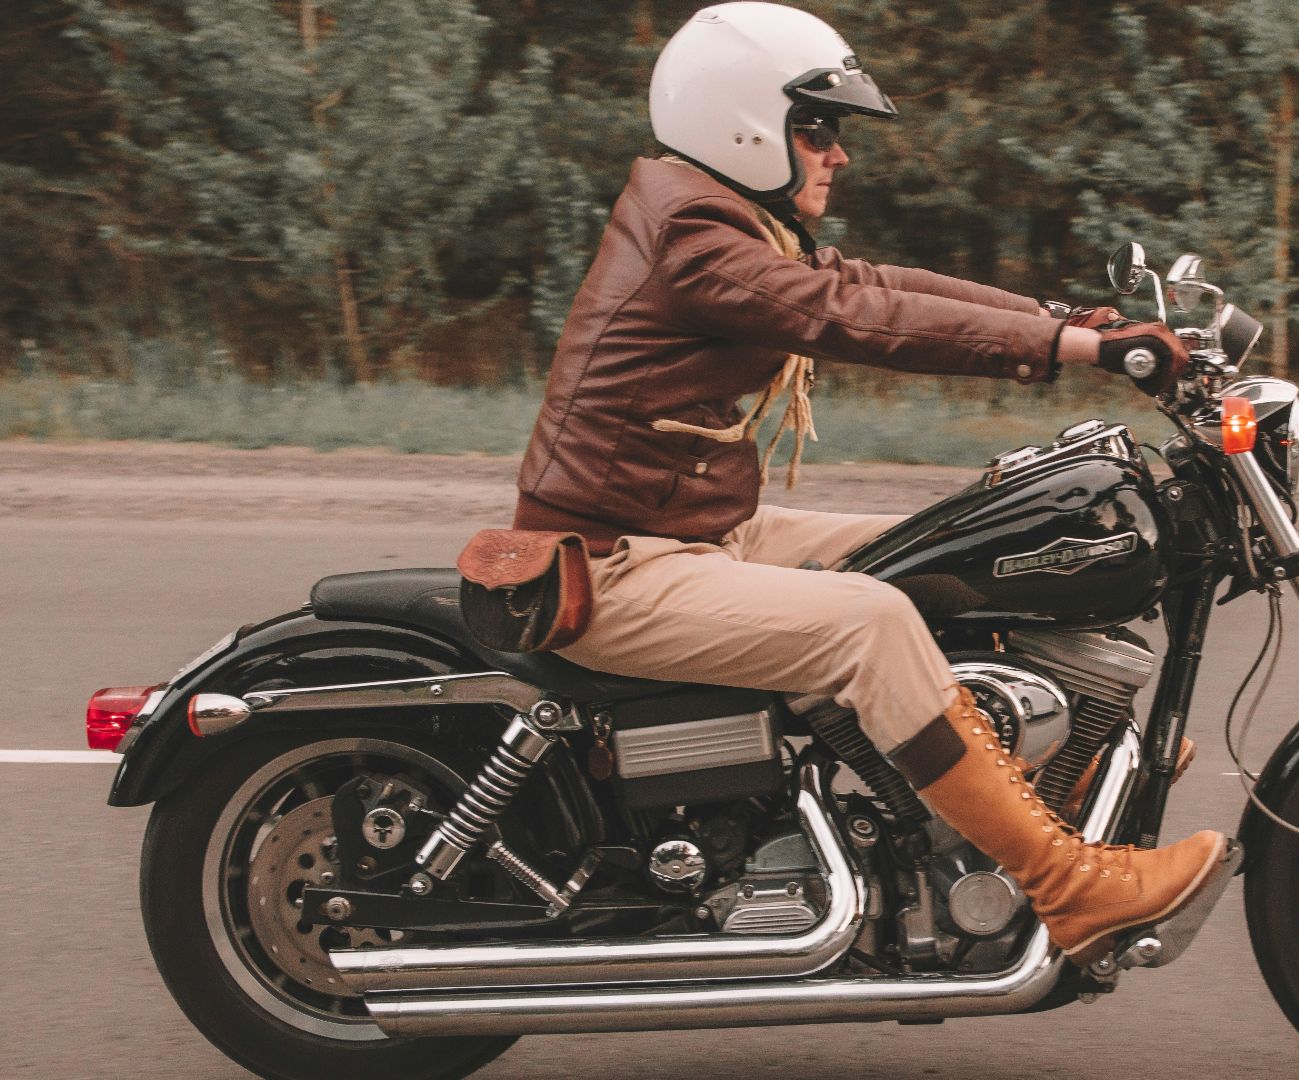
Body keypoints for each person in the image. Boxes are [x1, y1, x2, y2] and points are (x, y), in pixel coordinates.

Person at [512, 1, 1230, 965]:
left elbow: (874, 278)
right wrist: (1074, 346)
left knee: (953, 554)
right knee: (873, 621)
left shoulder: (726, 215)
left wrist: (1068, 317)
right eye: (817, 127)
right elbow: (850, 312)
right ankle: (1067, 887)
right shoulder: (693, 233)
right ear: (743, 122)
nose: (836, 153)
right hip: (618, 566)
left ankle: (1071, 761)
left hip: (696, 533)